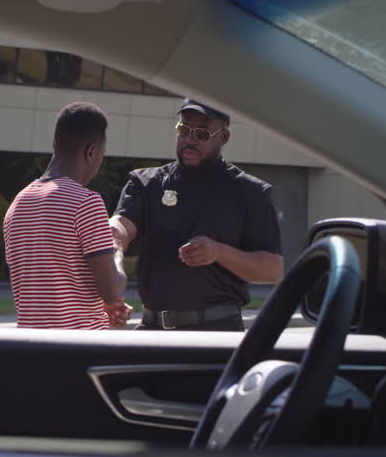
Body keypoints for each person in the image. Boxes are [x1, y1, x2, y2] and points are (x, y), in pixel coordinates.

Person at [110, 98, 283, 330]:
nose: (189, 140)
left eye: (201, 134)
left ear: (223, 137)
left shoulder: (249, 192)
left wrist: (218, 252)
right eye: (183, 130)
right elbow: (122, 226)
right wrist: (113, 235)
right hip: (152, 330)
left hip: (217, 330)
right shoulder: (146, 183)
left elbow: (272, 269)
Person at [3, 102, 132, 329]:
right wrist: (117, 252)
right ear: (91, 152)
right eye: (102, 155)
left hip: (31, 347)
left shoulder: (18, 204)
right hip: (78, 348)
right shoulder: (86, 202)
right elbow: (113, 291)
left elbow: (47, 287)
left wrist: (100, 307)